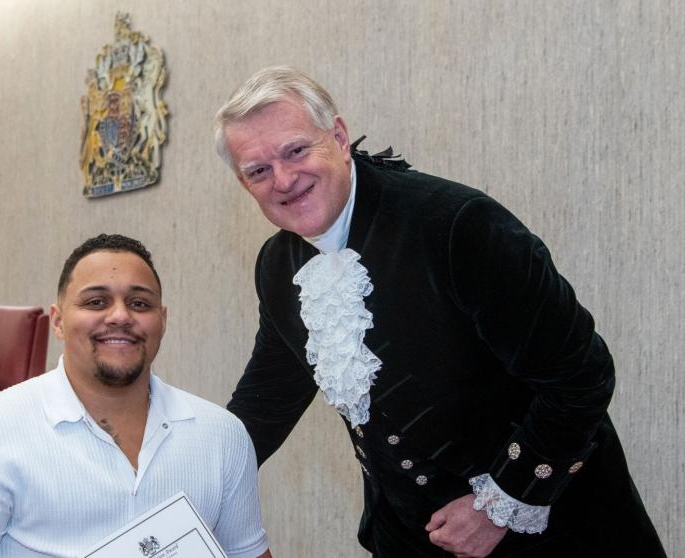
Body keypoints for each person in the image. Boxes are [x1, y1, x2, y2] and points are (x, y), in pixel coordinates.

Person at [214, 66, 664, 557]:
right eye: (258, 170)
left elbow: (581, 376)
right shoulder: (279, 265)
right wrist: (185, 480)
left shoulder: (455, 226)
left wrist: (500, 503)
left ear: (339, 138)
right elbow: (268, 397)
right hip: (410, 536)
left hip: (553, 530)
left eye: (295, 150)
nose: (283, 179)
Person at [0, 234, 270, 558]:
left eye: (140, 304)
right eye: (96, 302)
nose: (120, 316)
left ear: (163, 320)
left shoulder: (222, 435)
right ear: (58, 320)